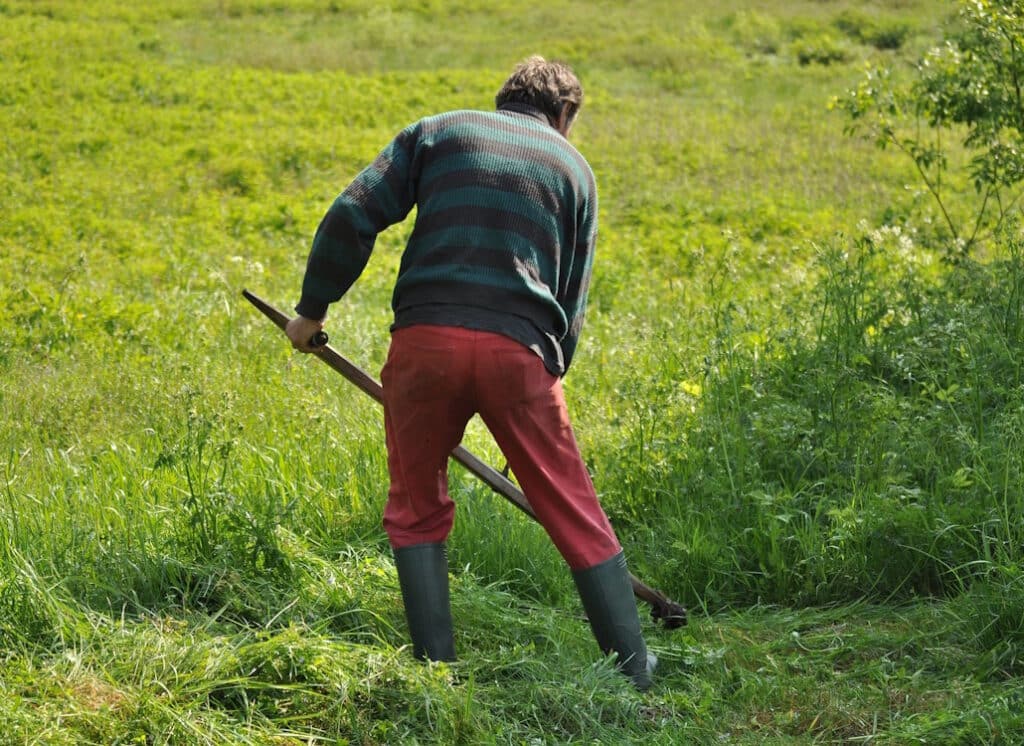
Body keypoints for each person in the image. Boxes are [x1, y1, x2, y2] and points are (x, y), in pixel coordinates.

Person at [285, 56, 656, 690]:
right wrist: (543, 388)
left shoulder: (438, 131)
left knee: (415, 506)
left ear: (504, 98)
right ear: (564, 115)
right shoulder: (575, 171)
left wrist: (310, 311)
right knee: (573, 507)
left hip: (425, 344)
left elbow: (353, 213)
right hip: (522, 356)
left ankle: (436, 673)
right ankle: (636, 668)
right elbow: (573, 298)